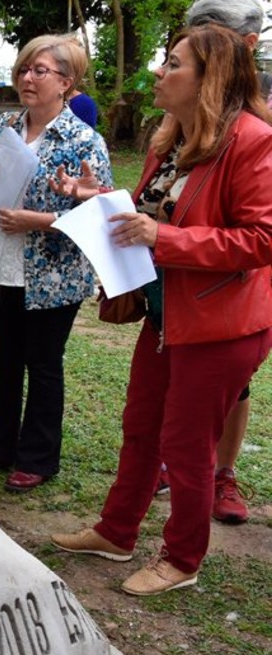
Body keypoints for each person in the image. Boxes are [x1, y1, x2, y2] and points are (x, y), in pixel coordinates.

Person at [50, 25, 272, 596]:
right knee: (141, 427)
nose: (157, 73)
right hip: (165, 315)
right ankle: (117, 531)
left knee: (185, 445)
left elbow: (261, 238)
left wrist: (163, 239)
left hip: (220, 324)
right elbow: (153, 210)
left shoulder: (252, 139)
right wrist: (99, 198)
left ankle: (181, 559)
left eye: (172, 64)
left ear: (210, 78)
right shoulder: (171, 136)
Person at [0, 34, 111, 490]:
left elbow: (99, 216)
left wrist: (38, 220)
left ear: (66, 82)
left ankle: (39, 457)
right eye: (24, 69)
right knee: (5, 359)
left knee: (43, 364)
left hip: (52, 273)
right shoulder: (9, 124)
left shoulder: (84, 140)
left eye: (39, 70)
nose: (27, 77)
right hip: (0, 259)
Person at [181, 0, 268, 524]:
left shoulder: (256, 125)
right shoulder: (180, 122)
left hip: (237, 291)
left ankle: (223, 472)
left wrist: (167, 239)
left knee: (235, 384)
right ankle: (186, 464)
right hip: (185, 291)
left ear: (247, 45)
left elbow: (259, 233)